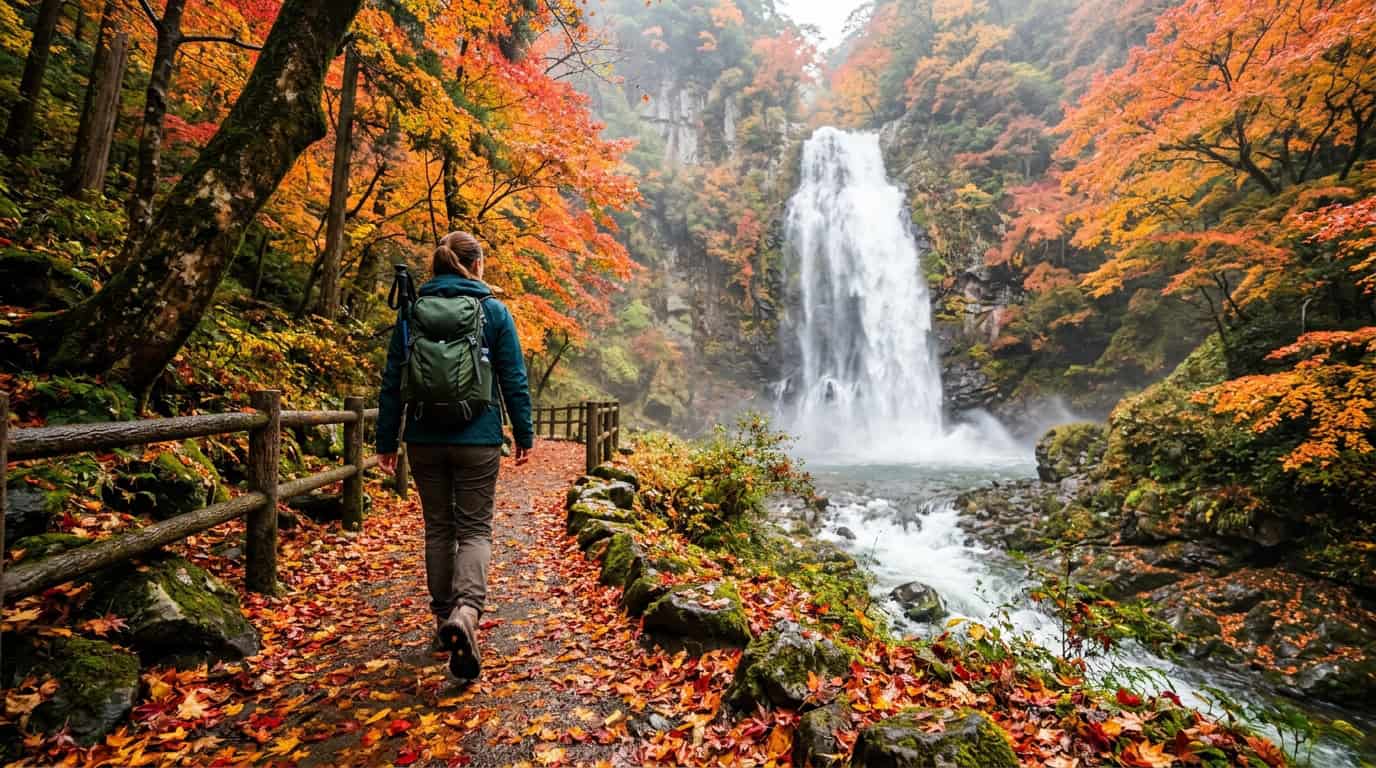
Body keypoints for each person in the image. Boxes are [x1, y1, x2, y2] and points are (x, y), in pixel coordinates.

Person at [376, 231, 534, 680]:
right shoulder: (494, 312)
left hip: (423, 436)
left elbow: (393, 380)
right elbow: (513, 378)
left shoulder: (412, 313)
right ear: (477, 265)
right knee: (475, 530)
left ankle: (442, 617)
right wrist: (523, 433)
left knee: (438, 529)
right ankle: (465, 613)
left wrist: (386, 440)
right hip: (479, 437)